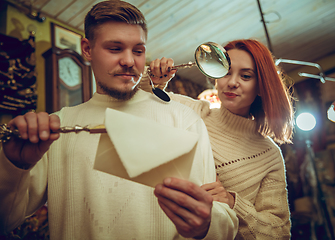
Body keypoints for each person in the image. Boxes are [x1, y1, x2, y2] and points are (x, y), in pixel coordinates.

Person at [0, 1, 239, 239]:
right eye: (115, 48)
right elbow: (6, 221)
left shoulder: (183, 118)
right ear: (87, 49)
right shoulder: (57, 127)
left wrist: (207, 225)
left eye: (138, 50)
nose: (129, 61)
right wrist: (14, 166)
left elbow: (221, 218)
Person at [144, 39, 294, 239]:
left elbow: (279, 233)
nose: (232, 82)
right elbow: (132, 104)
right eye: (226, 71)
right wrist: (153, 81)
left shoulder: (270, 155)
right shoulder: (193, 111)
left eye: (246, 76)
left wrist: (233, 203)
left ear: (260, 85)